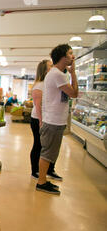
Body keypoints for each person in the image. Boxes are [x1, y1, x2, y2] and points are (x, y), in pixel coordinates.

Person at [36, 44, 78, 195]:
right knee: (47, 153)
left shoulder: (58, 73)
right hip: (53, 121)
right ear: (62, 57)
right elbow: (74, 93)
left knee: (50, 153)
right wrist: (73, 73)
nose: (73, 56)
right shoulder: (57, 75)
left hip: (55, 120)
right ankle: (41, 182)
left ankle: (43, 180)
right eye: (70, 54)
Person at [30, 60, 62, 180]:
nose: (53, 68)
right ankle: (35, 171)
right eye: (50, 66)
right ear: (44, 70)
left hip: (50, 118)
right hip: (38, 119)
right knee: (39, 145)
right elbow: (38, 106)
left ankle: (49, 170)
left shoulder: (50, 82)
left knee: (50, 146)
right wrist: (41, 122)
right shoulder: (39, 85)